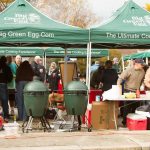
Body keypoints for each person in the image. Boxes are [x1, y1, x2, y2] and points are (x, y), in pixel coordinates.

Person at [117, 58, 145, 126]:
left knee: (136, 107)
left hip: (136, 91)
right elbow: (121, 78)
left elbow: (141, 80)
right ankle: (125, 122)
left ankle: (134, 123)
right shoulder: (129, 70)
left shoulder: (142, 71)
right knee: (127, 107)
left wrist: (139, 87)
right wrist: (118, 87)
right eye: (141, 64)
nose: (142, 66)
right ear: (137, 64)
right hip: (128, 91)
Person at [0, 56, 13, 122]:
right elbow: (10, 77)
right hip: (3, 84)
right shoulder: (7, 67)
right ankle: (5, 117)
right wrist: (6, 80)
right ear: (5, 61)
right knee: (5, 101)